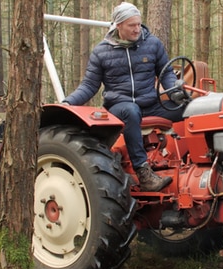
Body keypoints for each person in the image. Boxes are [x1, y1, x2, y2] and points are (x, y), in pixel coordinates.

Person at [62, 2, 187, 192]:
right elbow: (89, 86)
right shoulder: (101, 52)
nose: (137, 29)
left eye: (138, 24)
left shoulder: (152, 44)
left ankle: (198, 163)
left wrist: (174, 91)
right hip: (120, 107)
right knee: (130, 110)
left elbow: (167, 73)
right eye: (131, 25)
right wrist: (67, 103)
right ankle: (143, 173)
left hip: (150, 104)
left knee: (191, 108)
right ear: (118, 25)